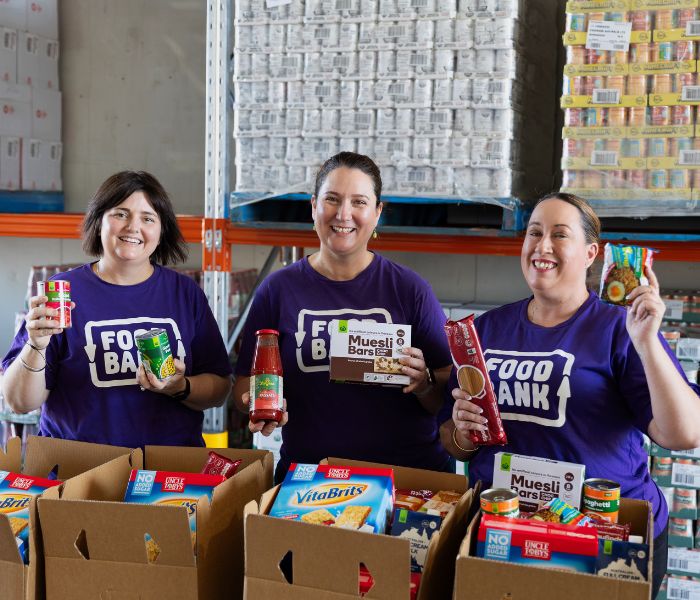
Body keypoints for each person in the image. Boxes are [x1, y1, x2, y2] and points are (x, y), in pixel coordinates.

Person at [440, 192, 700, 598]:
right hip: (504, 530)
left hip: (604, 535)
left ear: (591, 253)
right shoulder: (487, 330)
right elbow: (452, 442)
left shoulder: (621, 329)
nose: (542, 246)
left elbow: (685, 434)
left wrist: (648, 341)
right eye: (534, 233)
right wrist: (462, 432)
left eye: (559, 235)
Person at [233, 152, 453, 482]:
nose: (343, 214)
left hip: (405, 478)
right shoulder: (278, 290)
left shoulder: (410, 290)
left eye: (359, 202)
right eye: (332, 199)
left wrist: (424, 382)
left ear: (377, 213)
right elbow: (242, 384)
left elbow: (448, 391)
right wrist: (256, 403)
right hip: (310, 478)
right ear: (313, 207)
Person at [2, 171, 232, 448]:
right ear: (98, 221)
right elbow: (18, 402)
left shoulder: (184, 293)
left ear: (162, 232)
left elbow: (220, 388)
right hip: (79, 465)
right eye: (121, 214)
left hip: (167, 465)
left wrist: (180, 387)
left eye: (148, 218)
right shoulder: (62, 293)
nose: (133, 227)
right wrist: (36, 346)